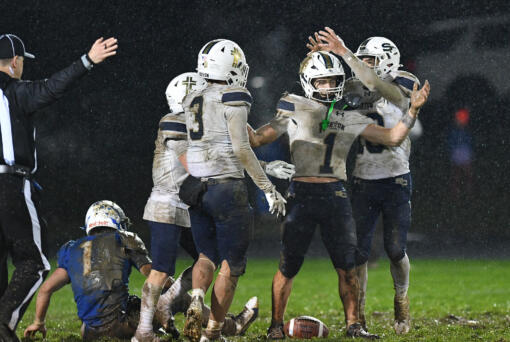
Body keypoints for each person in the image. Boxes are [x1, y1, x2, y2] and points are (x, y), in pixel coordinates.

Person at [248, 50, 430, 339]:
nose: (329, 86)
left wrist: (412, 111)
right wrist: (230, 123)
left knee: (348, 267)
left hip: (336, 194)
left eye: (333, 80)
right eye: (321, 81)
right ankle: (275, 326)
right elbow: (257, 138)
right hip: (302, 194)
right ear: (308, 82)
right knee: (288, 265)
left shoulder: (349, 115)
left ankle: (354, 326)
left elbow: (393, 137)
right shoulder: (293, 106)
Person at [0, 33, 117, 342]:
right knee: (34, 264)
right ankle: (2, 324)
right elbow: (52, 88)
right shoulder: (14, 92)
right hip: (9, 184)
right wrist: (87, 60)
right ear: (15, 62)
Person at [133, 72, 264, 341]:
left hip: (192, 204)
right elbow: (194, 165)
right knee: (161, 270)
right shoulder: (174, 122)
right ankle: (144, 330)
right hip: (170, 206)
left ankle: (176, 303)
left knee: (207, 259)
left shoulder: (195, 124)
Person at [310, 27, 424, 334]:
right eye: (364, 61)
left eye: (371, 60)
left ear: (387, 60)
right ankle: (357, 315)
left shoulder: (404, 83)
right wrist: (318, 63)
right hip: (363, 180)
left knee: (395, 249)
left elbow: (377, 84)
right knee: (357, 252)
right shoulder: (353, 88)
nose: (366, 66)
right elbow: (323, 99)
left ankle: (401, 297)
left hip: (396, 179)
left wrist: (344, 52)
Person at [181, 39, 287, 342]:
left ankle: (197, 296)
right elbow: (240, 149)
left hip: (197, 188)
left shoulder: (192, 97)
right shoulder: (236, 95)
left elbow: (238, 140)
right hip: (227, 189)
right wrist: (268, 188)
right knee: (231, 265)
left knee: (205, 256)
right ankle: (212, 332)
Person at [24, 201, 152, 341]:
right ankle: (154, 331)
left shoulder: (71, 248)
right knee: (139, 303)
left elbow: (45, 290)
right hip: (122, 327)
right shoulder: (125, 239)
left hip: (89, 334)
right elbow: (153, 276)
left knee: (88, 323)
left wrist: (38, 323)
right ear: (118, 222)